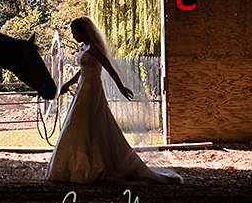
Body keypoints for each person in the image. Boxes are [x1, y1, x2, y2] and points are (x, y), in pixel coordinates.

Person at [46, 16, 182, 184]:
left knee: (88, 123)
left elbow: (109, 68)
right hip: (82, 89)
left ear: (83, 31)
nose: (74, 37)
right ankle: (75, 166)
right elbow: (82, 70)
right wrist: (67, 84)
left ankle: (90, 166)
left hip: (92, 90)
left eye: (75, 33)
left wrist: (121, 87)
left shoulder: (94, 48)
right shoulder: (83, 47)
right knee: (79, 124)